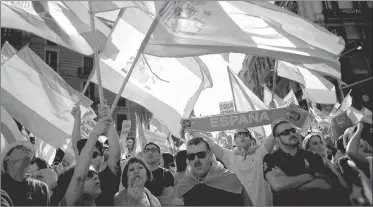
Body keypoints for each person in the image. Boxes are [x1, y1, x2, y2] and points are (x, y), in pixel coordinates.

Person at [263, 120, 341, 206]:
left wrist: (287, 179)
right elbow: (277, 185)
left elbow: (326, 184)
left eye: (293, 130)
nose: (292, 134)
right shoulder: (270, 159)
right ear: (277, 139)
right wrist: (308, 176)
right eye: (286, 132)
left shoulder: (312, 156)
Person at [200, 129, 275, 206]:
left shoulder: (260, 153)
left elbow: (274, 135)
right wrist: (192, 129)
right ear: (234, 140)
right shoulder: (229, 156)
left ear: (250, 139)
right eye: (238, 134)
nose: (242, 136)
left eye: (245, 134)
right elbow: (210, 143)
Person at [175, 137, 253, 206]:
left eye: (201, 154)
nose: (196, 160)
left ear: (210, 155)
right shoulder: (184, 186)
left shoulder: (230, 179)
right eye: (191, 156)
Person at [70, 103, 121, 206]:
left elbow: (115, 152)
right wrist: (77, 119)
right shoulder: (79, 176)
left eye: (93, 154)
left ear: (102, 156)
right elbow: (76, 147)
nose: (87, 157)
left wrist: (108, 120)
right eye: (85, 153)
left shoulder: (109, 174)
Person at [58, 111, 112, 206]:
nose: (88, 157)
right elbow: (76, 145)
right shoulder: (76, 176)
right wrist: (77, 119)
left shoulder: (108, 177)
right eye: (87, 154)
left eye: (95, 154)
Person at [302, 132, 351, 205]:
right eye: (315, 143)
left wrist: (337, 173)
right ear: (308, 149)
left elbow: (347, 188)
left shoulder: (335, 163)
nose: (320, 145)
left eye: (321, 142)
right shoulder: (312, 168)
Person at [1, 141, 49, 206]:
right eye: (20, 147)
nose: (28, 149)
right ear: (7, 157)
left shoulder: (41, 188)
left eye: (30, 150)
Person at [346, 122, 373, 205]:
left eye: (361, 146)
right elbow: (351, 152)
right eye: (357, 145)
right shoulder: (369, 162)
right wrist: (360, 128)